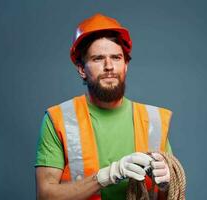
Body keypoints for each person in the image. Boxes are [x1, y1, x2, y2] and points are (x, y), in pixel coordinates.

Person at [35, 13, 173, 200]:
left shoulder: (154, 120)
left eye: (116, 57)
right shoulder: (58, 119)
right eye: (98, 58)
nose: (109, 66)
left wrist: (167, 184)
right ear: (82, 69)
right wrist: (105, 177)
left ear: (125, 65)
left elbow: (168, 194)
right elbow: (45, 196)